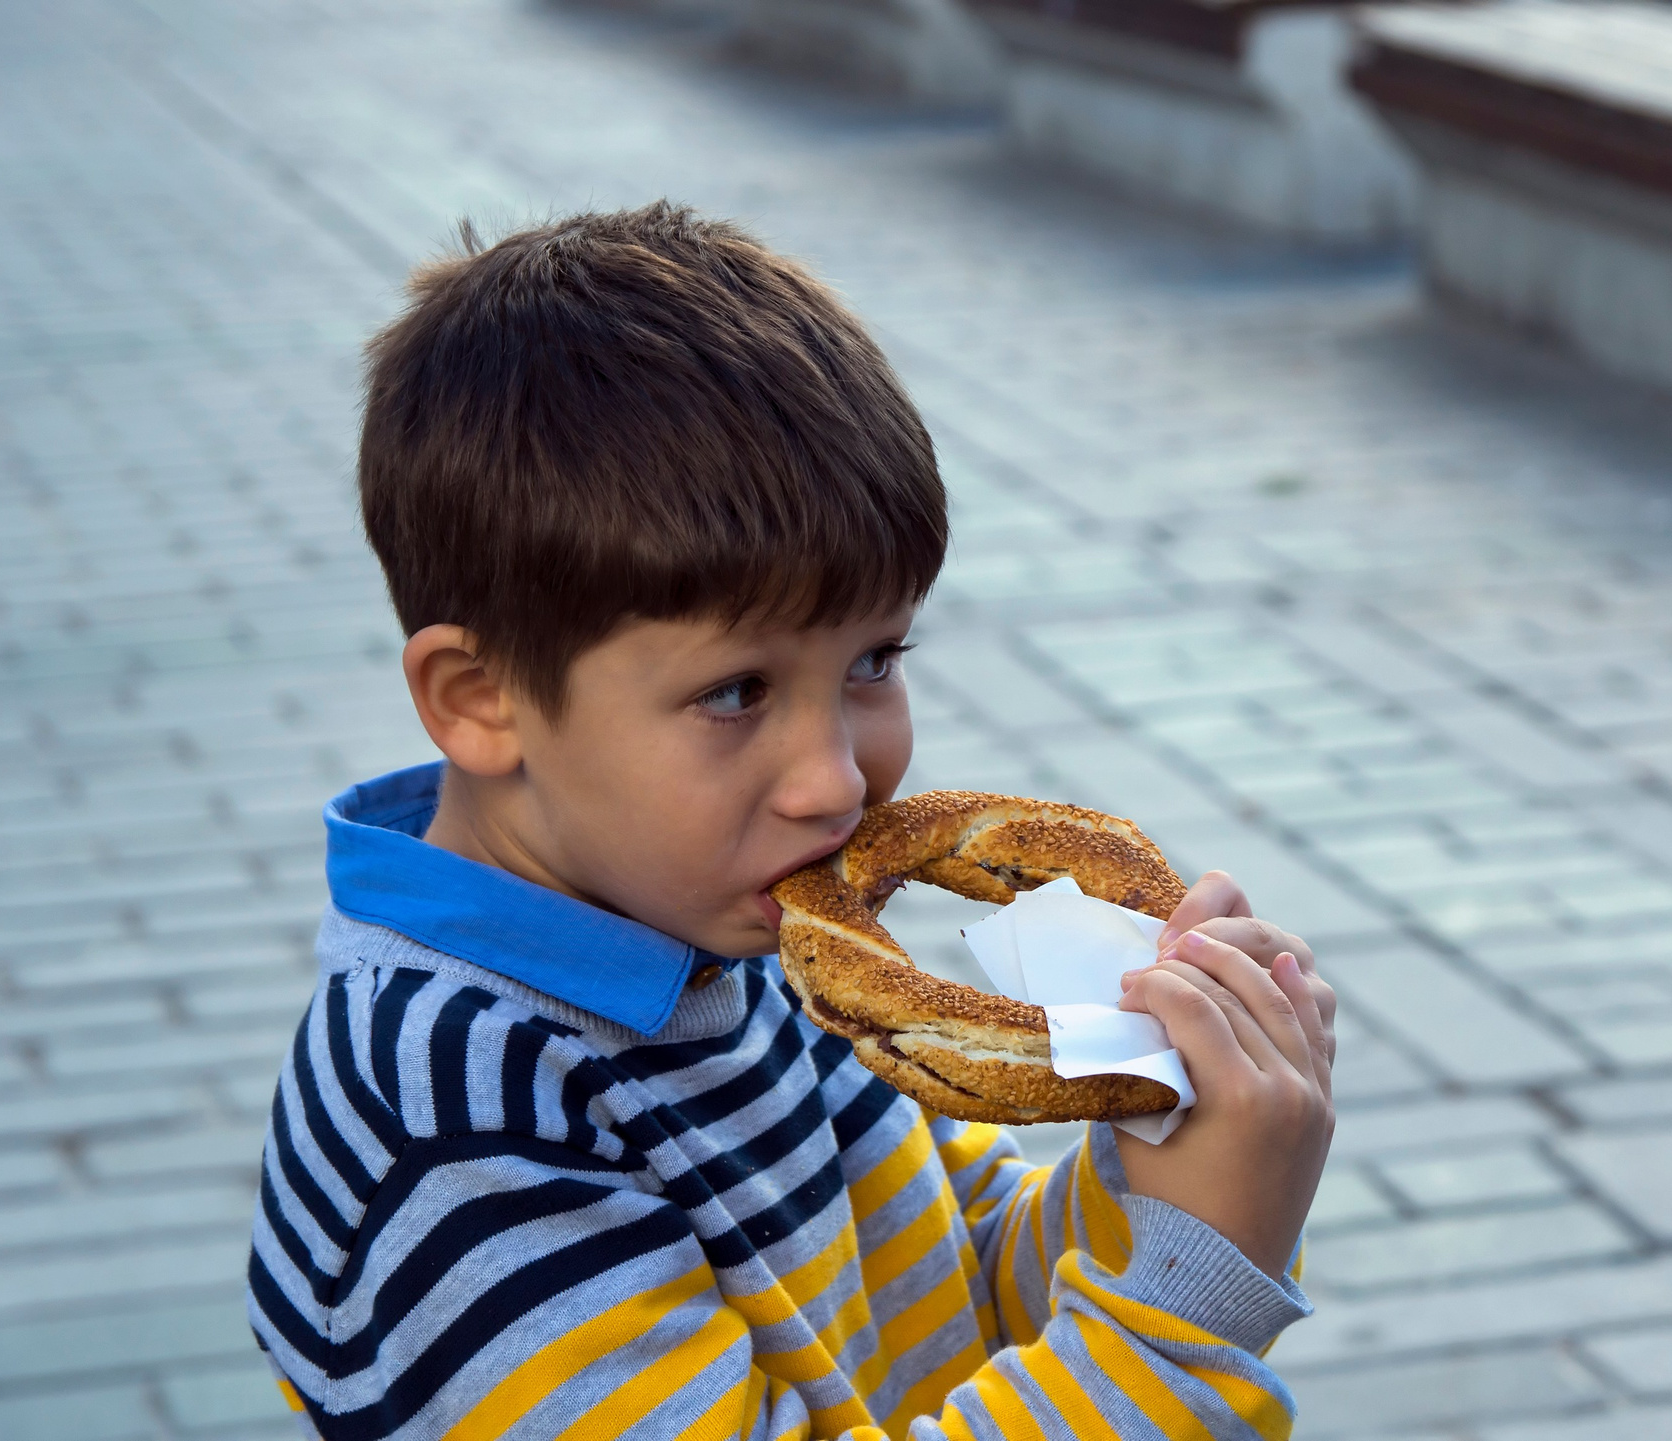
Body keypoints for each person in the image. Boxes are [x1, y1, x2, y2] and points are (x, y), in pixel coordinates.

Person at [247, 203, 1337, 1440]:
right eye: (734, 691)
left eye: (873, 658)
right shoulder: (459, 1129)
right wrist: (1185, 1302)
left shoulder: (724, 944)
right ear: (481, 700)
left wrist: (1174, 1147)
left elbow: (970, 1282)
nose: (834, 780)